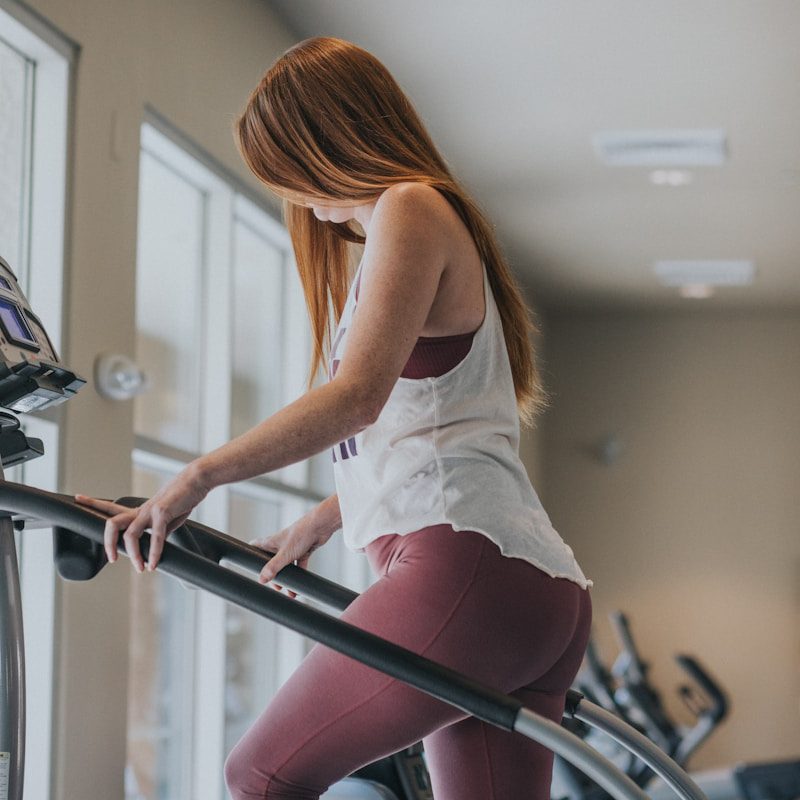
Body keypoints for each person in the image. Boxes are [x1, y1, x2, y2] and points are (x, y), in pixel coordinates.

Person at [77, 37, 592, 800]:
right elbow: (430, 427)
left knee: (260, 775)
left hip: (469, 573)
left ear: (330, 142)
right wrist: (322, 518)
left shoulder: (408, 206)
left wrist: (197, 476)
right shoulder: (427, 218)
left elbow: (357, 398)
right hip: (538, 594)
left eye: (289, 169)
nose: (297, 197)